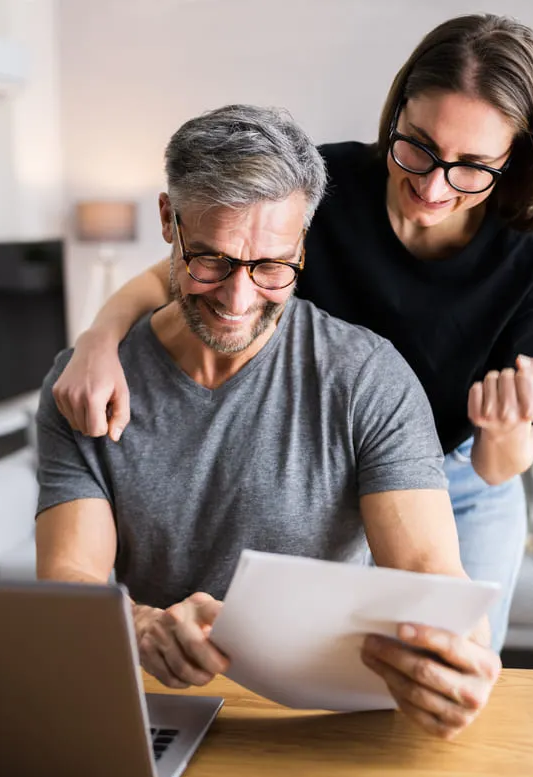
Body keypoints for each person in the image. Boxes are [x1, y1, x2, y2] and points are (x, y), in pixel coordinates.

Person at [49, 14, 533, 653]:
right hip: (336, 458)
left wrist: (504, 426)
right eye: (417, 145)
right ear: (397, 112)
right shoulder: (321, 187)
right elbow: (194, 267)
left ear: (511, 159)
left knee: (457, 657)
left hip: (459, 472)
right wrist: (99, 340)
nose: (433, 185)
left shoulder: (530, 265)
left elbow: (502, 467)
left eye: (471, 166)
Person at [35, 104, 500, 740]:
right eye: (212, 261)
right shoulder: (87, 385)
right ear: (170, 220)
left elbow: (429, 571)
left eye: (272, 267)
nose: (239, 299)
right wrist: (139, 624)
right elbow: (70, 580)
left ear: (302, 245)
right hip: (156, 715)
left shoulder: (367, 376)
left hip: (317, 727)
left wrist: (463, 655)